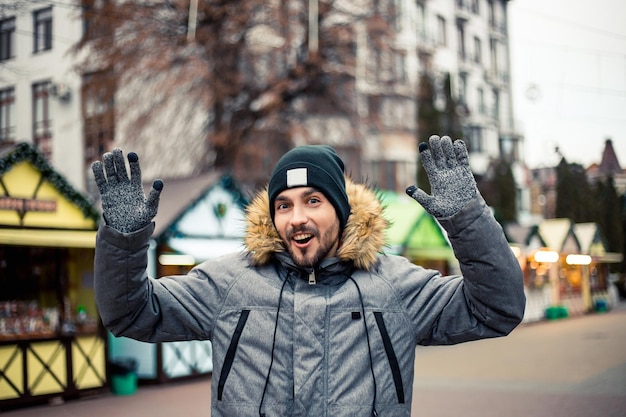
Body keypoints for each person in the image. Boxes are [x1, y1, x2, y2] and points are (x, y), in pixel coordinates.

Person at [92, 135, 525, 417]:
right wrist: (124, 237)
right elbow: (129, 313)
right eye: (284, 205)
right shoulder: (229, 283)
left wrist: (467, 219)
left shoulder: (394, 285)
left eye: (313, 200)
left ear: (341, 207)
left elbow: (496, 309)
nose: (297, 218)